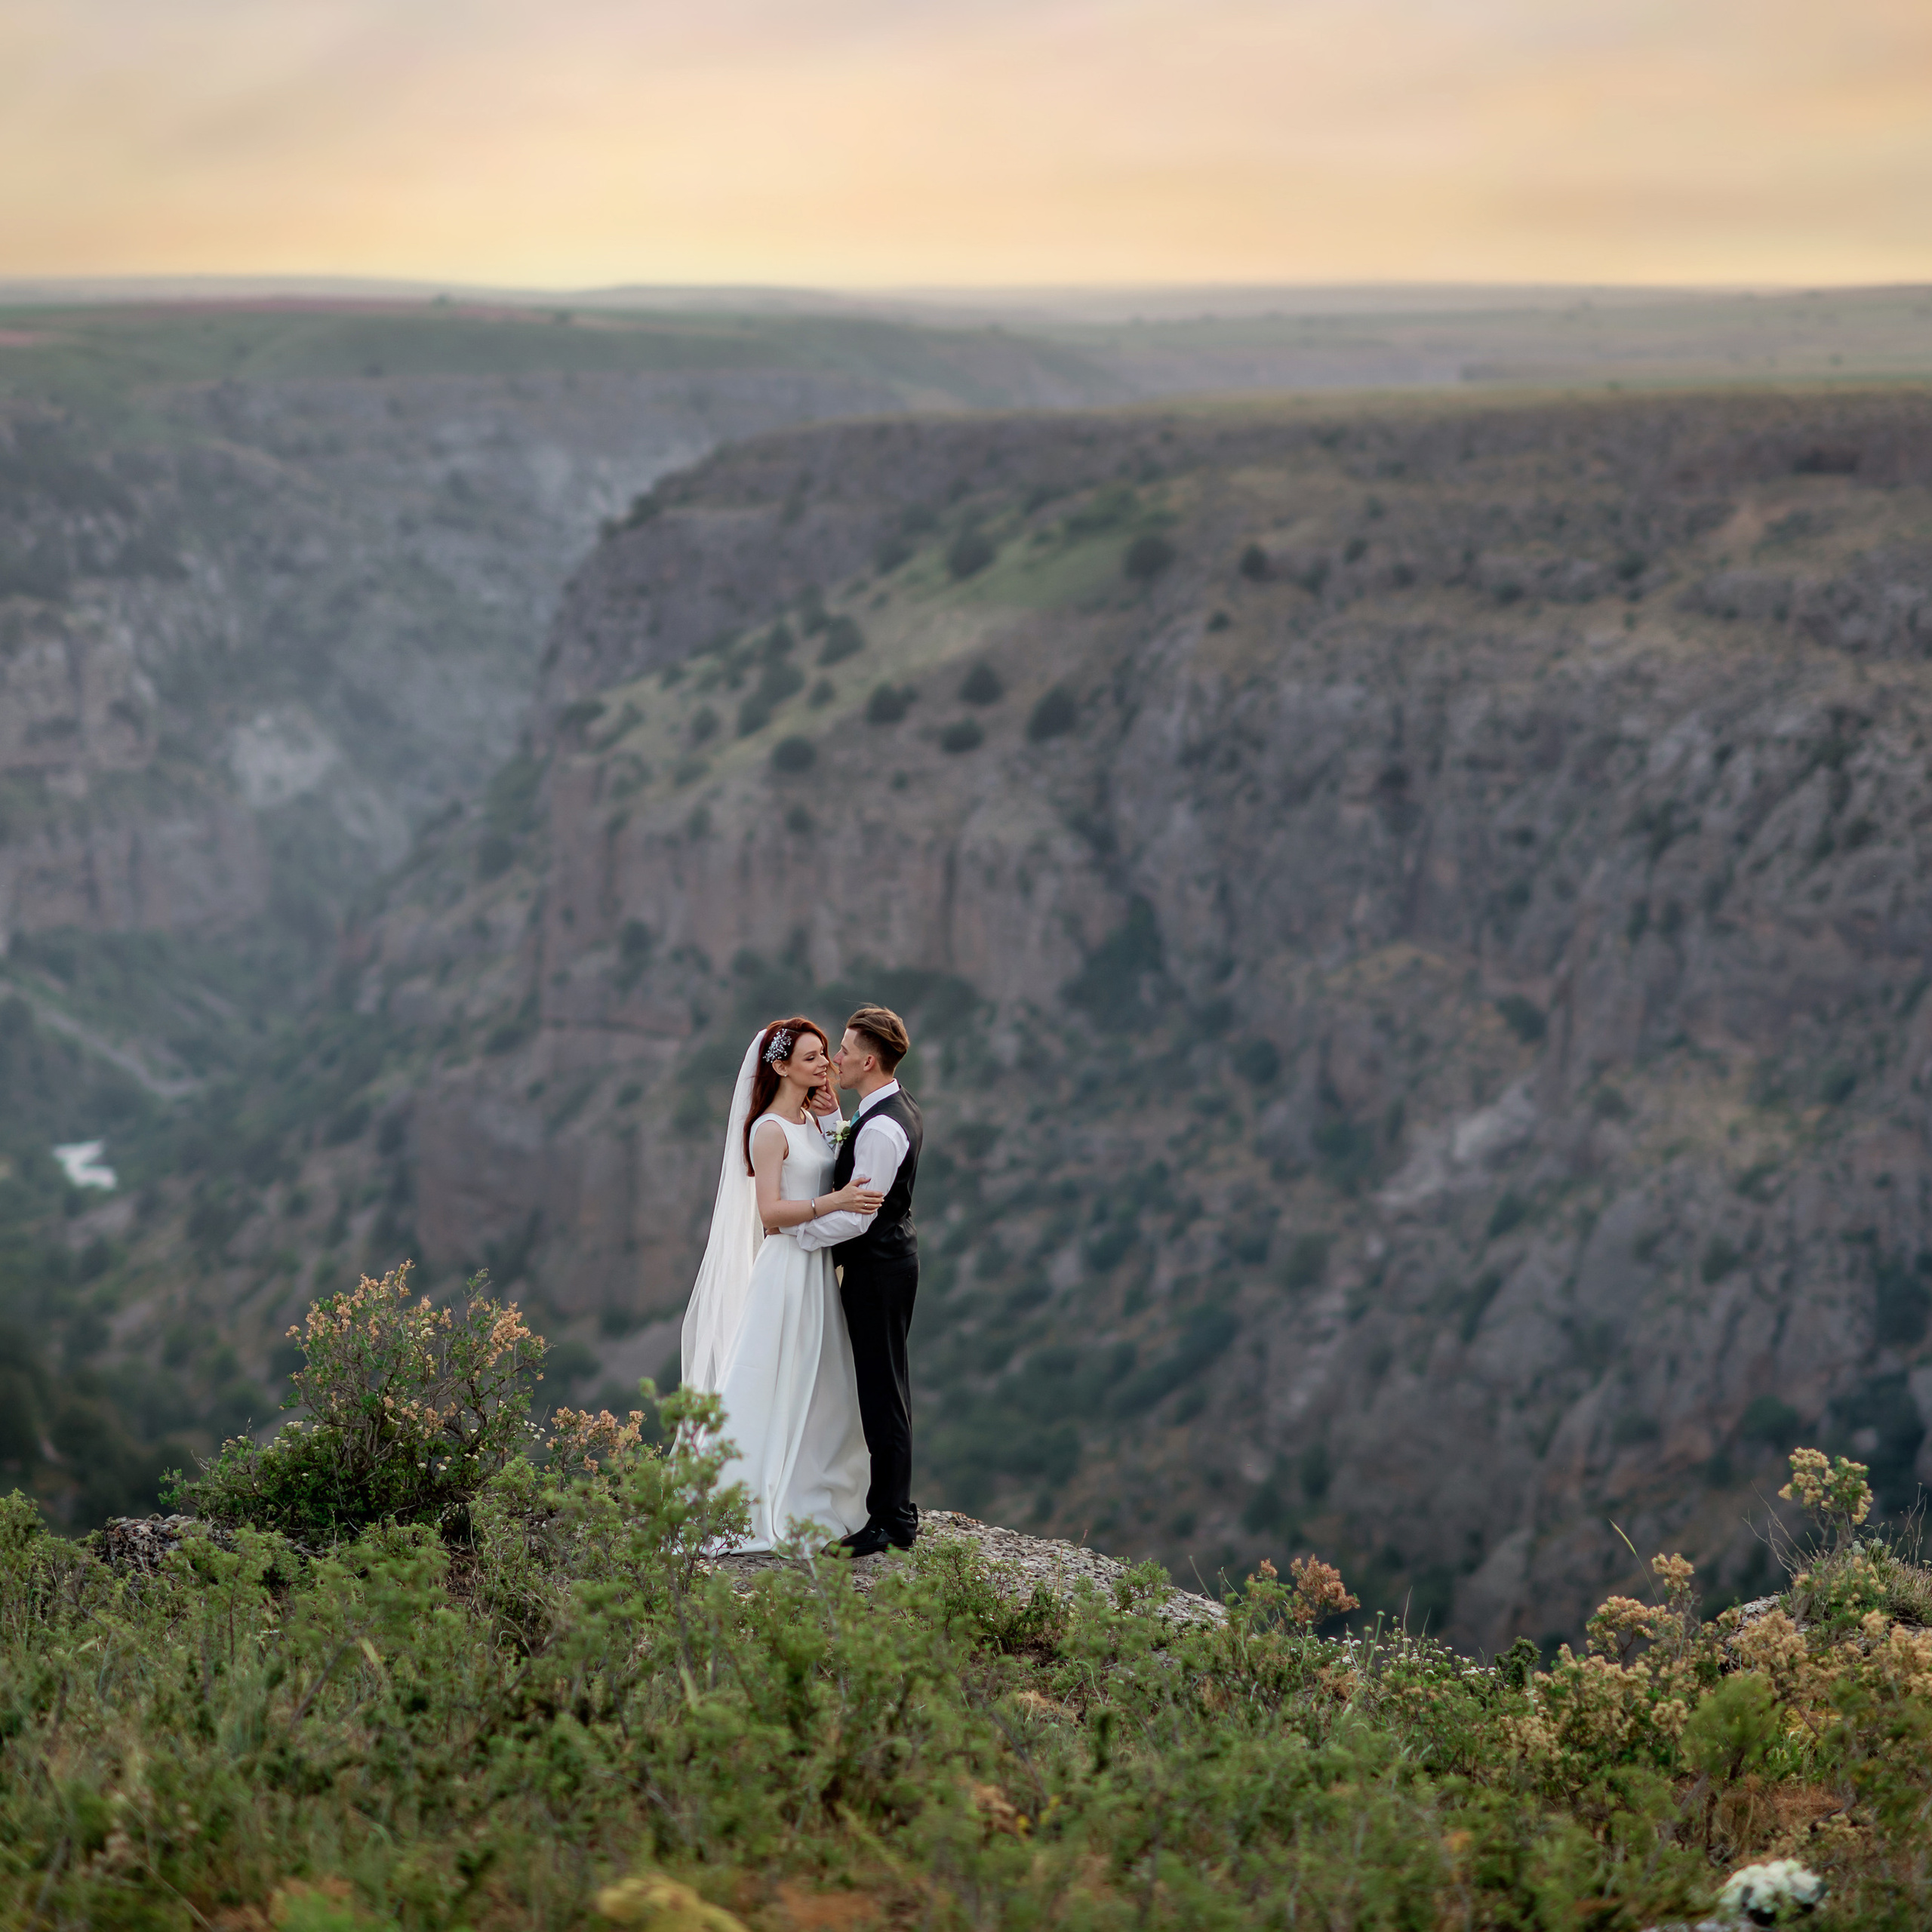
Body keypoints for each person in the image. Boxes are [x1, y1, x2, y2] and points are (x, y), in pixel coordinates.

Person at [678, 1017, 883, 1552]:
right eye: (813, 1057)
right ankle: (740, 1499)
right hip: (786, 1268)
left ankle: (811, 1485)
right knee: (770, 1376)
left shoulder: (812, 1121)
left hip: (816, 1268)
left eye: (825, 1054)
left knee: (820, 1382)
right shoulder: (768, 1129)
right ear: (781, 1067)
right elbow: (770, 1210)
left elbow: (834, 1161)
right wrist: (832, 1204)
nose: (825, 1065)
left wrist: (835, 1115)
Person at [795, 1004, 922, 1557]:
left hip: (879, 1271)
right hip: (883, 1265)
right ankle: (893, 1510)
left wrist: (794, 1234)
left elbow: (859, 1214)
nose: (835, 1058)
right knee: (884, 1386)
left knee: (883, 1393)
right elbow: (850, 1179)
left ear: (869, 1060)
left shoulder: (885, 1127)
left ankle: (891, 1521)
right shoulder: (882, 1111)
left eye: (844, 1049)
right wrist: (832, 1120)